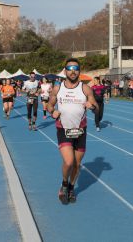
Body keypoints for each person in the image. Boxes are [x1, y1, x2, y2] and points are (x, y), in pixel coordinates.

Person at [47, 58, 98, 204]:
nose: (73, 71)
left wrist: (92, 107)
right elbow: (50, 105)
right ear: (65, 71)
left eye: (75, 68)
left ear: (79, 71)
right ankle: (64, 185)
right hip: (63, 129)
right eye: (69, 68)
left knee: (76, 164)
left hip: (80, 130)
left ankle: (71, 187)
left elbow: (97, 110)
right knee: (68, 162)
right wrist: (52, 112)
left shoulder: (86, 88)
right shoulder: (58, 88)